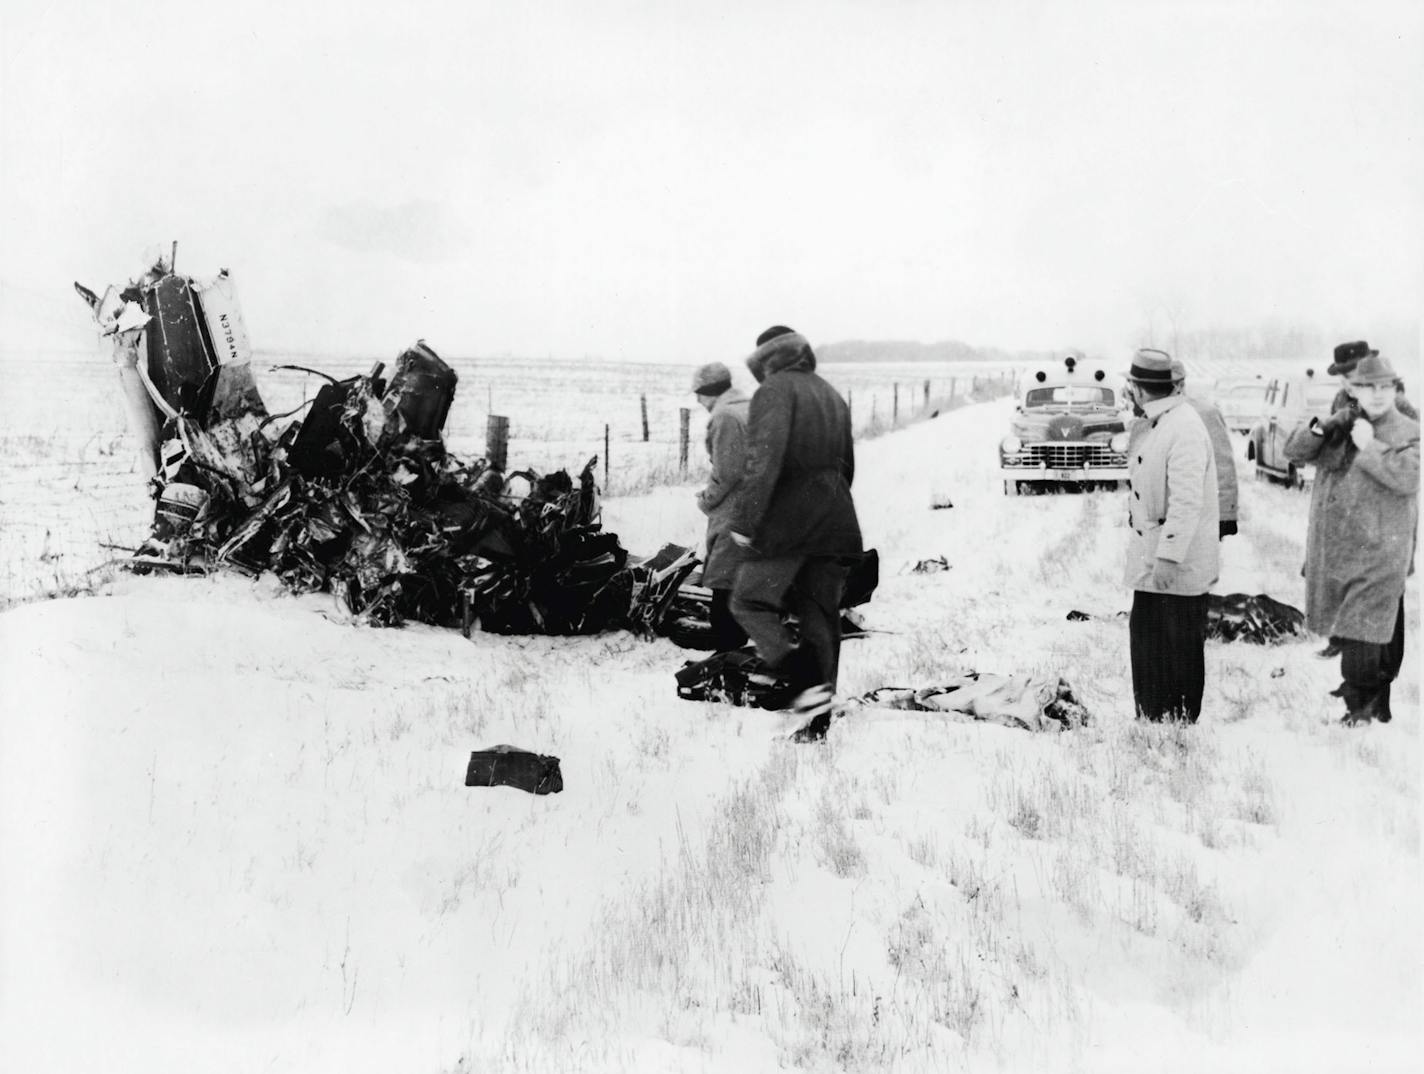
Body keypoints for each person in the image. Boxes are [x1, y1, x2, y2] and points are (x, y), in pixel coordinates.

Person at [729, 326, 862, 739]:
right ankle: (818, 719)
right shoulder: (830, 393)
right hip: (836, 516)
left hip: (789, 520)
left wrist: (745, 521)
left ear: (766, 358)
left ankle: (803, 681)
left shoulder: (773, 391)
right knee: (821, 618)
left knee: (748, 600)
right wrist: (830, 504)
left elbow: (763, 461)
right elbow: (849, 467)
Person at [1284, 354, 1418, 725]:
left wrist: (1368, 442)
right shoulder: (1345, 409)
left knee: (1379, 625)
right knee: (1359, 622)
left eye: (1349, 376)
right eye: (1348, 381)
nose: (1346, 384)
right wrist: (1322, 427)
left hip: (1379, 540)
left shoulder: (1401, 417)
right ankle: (1362, 696)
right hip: (1342, 535)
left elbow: (1406, 478)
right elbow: (1297, 453)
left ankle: (1372, 701)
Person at [1122, 349, 1220, 723]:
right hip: (1156, 557)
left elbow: (1186, 502)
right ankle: (1152, 717)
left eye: (1131, 386)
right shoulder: (1163, 422)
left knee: (1177, 642)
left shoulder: (1183, 427)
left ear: (1141, 390)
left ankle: (1178, 721)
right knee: (1149, 640)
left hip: (1172, 564)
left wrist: (1168, 556)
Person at [690, 361, 751, 650]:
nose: (698, 401)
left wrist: (706, 499)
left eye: (698, 394)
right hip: (760, 504)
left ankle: (727, 656)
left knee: (723, 581)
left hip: (737, 508)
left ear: (708, 391)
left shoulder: (725, 416)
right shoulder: (748, 406)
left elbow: (728, 473)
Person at [1171, 360, 1239, 540]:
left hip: (1198, 517)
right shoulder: (1150, 416)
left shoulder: (1206, 413)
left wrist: (1225, 514)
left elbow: (1223, 466)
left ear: (1181, 385)